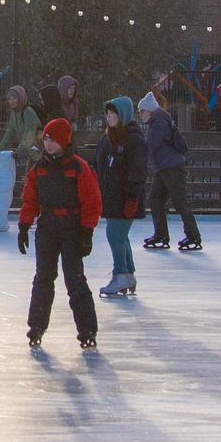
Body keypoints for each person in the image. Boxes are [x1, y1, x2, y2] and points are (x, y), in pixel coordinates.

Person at [19, 119, 102, 351]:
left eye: (53, 139)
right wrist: (24, 225)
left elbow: (92, 200)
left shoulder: (78, 167)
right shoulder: (39, 169)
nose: (49, 143)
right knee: (43, 277)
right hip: (47, 227)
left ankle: (87, 329)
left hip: (71, 227)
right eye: (45, 139)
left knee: (74, 279)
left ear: (64, 141)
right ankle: (36, 325)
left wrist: (87, 231)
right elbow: (30, 198)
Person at [93, 97, 148, 298]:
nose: (109, 118)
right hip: (111, 196)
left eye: (113, 114)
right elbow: (99, 164)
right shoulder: (108, 138)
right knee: (120, 236)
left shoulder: (134, 140)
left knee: (114, 235)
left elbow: (138, 172)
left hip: (125, 198)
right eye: (107, 114)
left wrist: (132, 199)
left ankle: (121, 274)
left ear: (123, 114)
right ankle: (128, 274)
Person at [138, 89, 200, 251]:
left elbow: (149, 146)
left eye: (141, 111)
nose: (140, 114)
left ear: (149, 110)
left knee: (180, 202)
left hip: (171, 167)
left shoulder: (158, 123)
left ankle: (193, 236)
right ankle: (161, 234)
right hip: (163, 168)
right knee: (155, 201)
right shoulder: (156, 122)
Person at [0, 84, 40, 199]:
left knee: (36, 183)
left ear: (21, 98)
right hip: (32, 155)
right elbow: (9, 133)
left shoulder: (28, 112)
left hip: (40, 154)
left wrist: (17, 152)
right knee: (30, 183)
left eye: (14, 98)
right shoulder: (14, 113)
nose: (12, 101)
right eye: (9, 98)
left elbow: (29, 136)